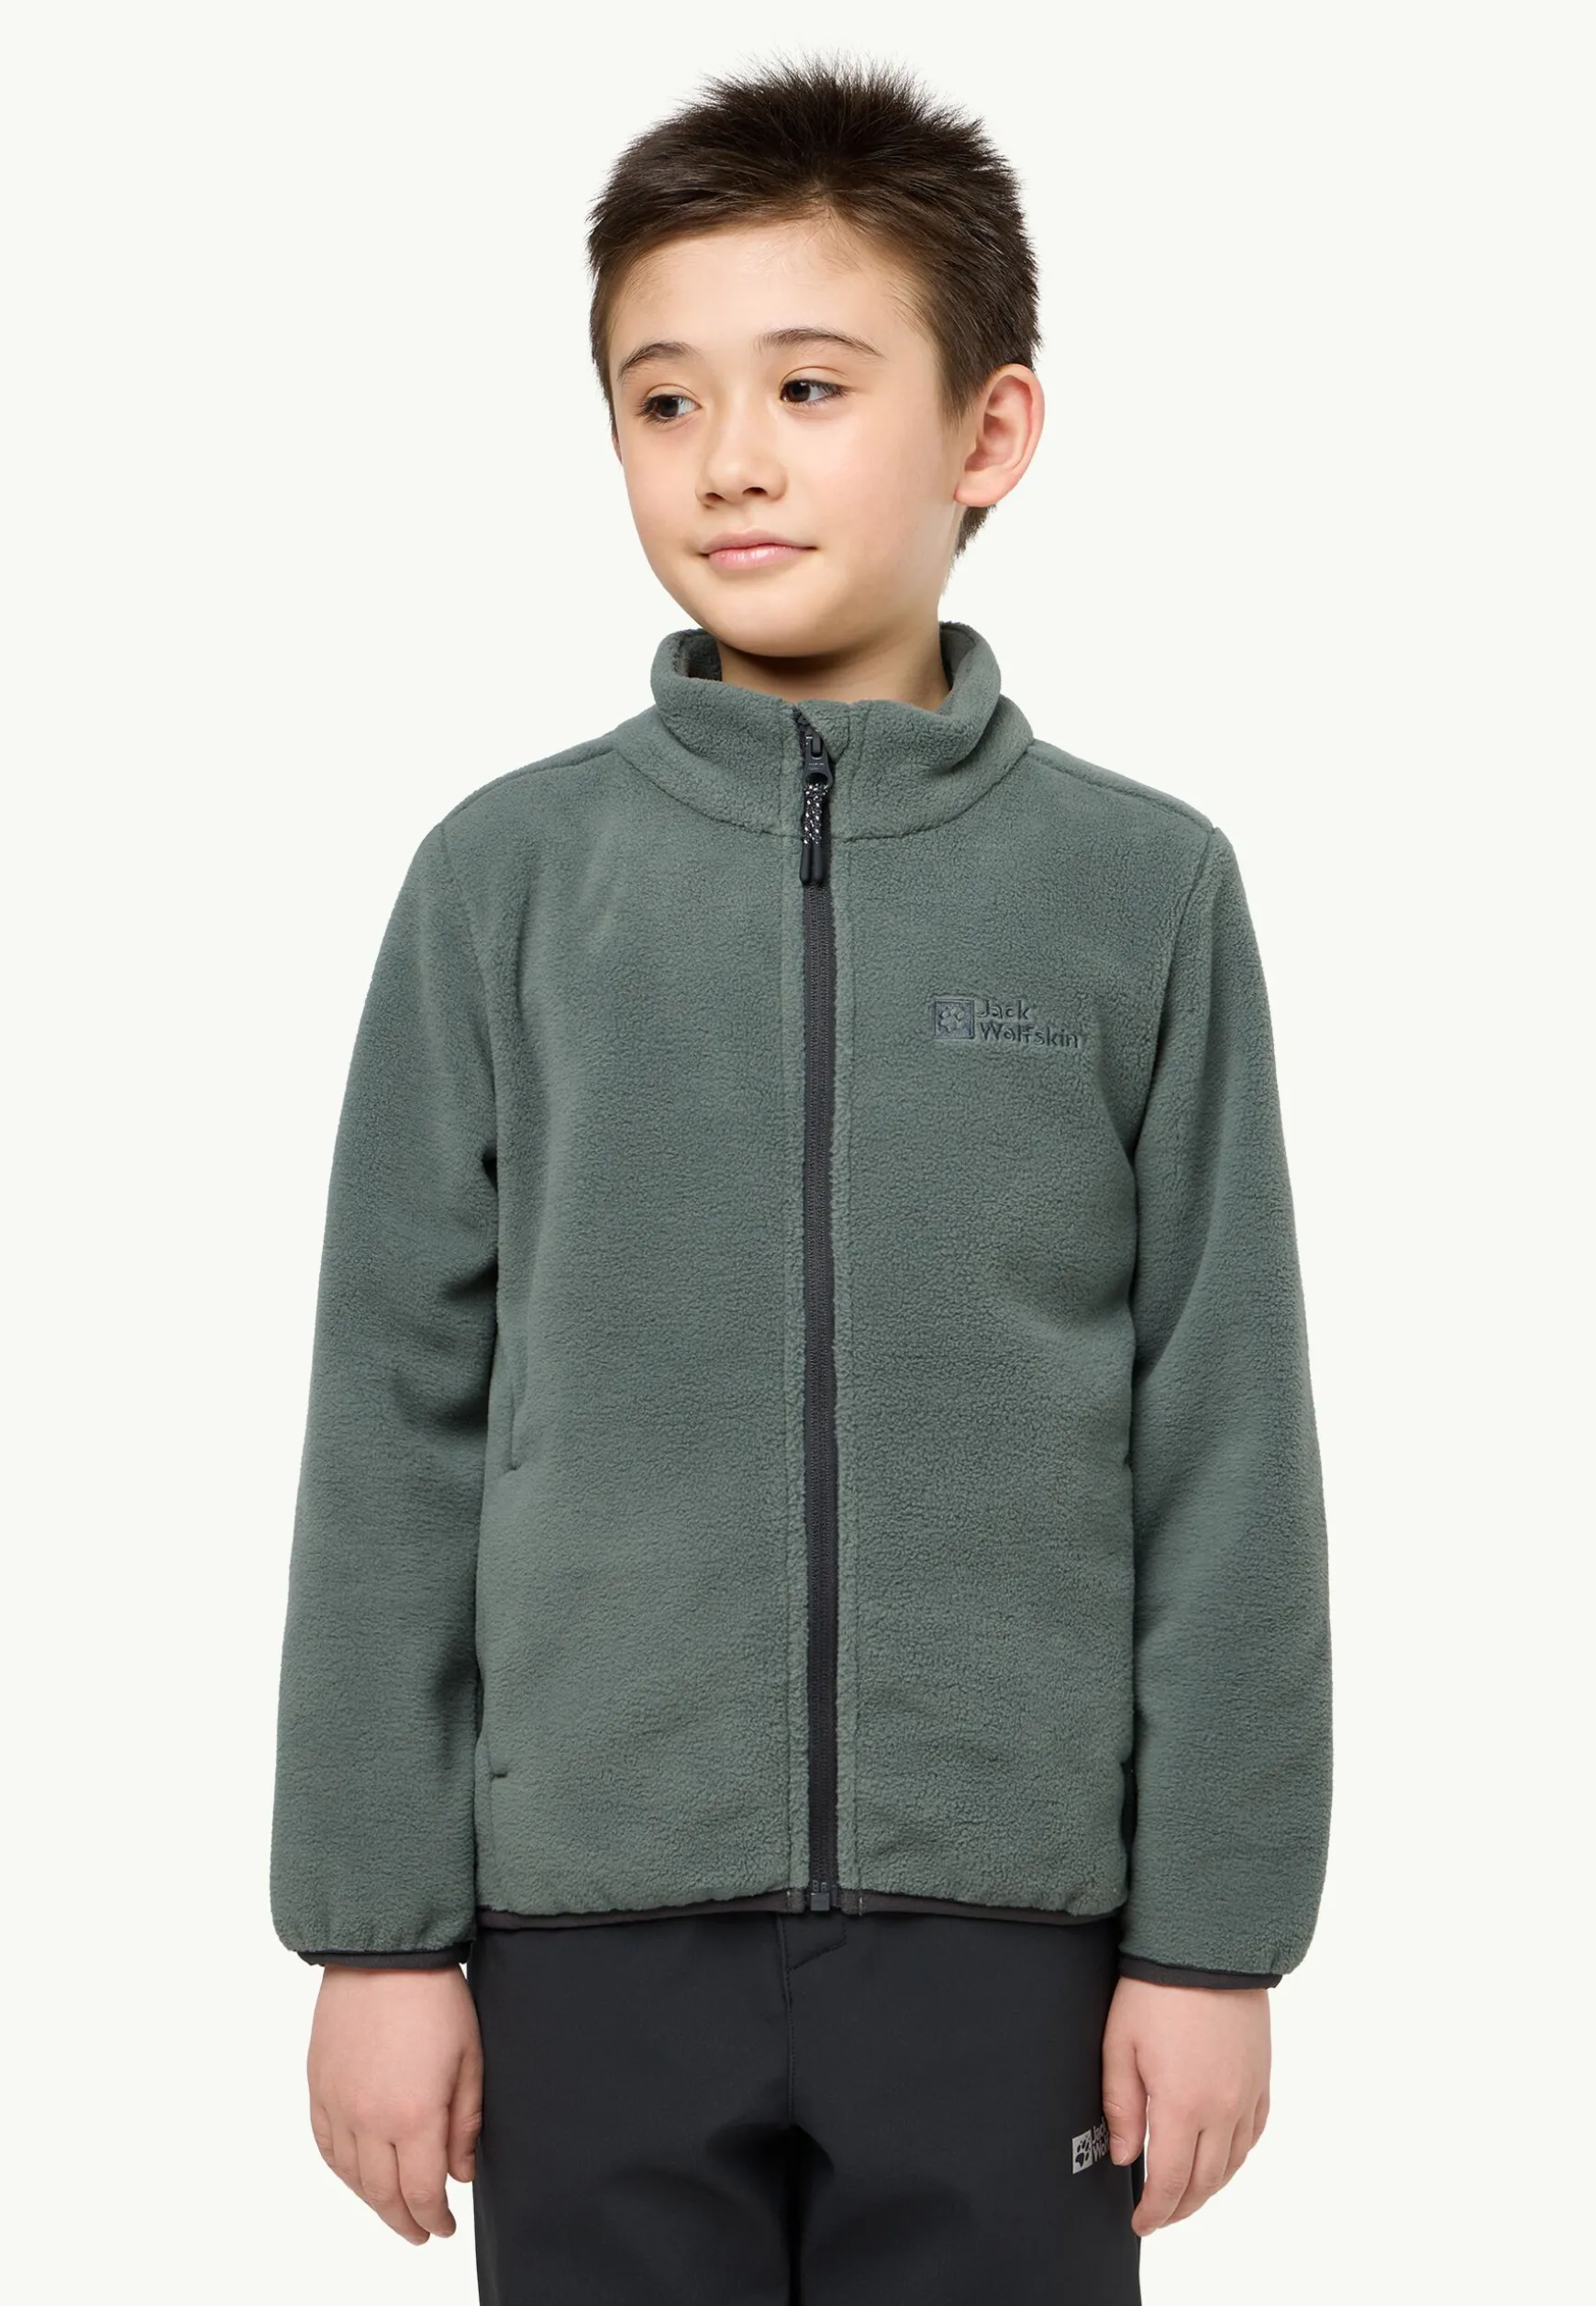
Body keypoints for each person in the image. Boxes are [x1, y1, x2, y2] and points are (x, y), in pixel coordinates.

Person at [271, 50, 1333, 2306]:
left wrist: (1215, 1939)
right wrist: (375, 1932)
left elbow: (1225, 1433)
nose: (729, 457)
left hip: (1015, 1933)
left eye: (811, 387)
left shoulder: (1140, 890)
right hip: (585, 1926)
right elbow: (390, 1424)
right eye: (662, 400)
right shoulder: (505, 881)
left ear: (988, 433)